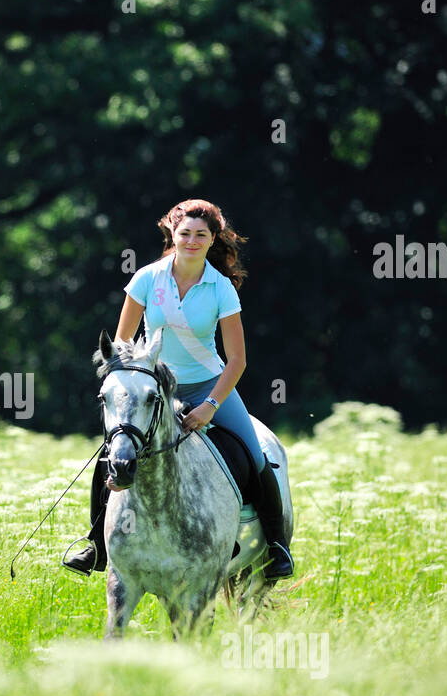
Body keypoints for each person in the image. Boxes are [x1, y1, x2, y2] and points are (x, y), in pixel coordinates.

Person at [62, 198, 295, 580]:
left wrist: (209, 406)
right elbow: (121, 347)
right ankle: (96, 546)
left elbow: (237, 361)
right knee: (112, 454)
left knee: (255, 457)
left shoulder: (221, 289)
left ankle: (275, 545)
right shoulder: (146, 279)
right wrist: (134, 385)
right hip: (154, 387)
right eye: (184, 233)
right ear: (172, 233)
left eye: (200, 235)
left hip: (208, 384)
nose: (191, 241)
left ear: (212, 238)